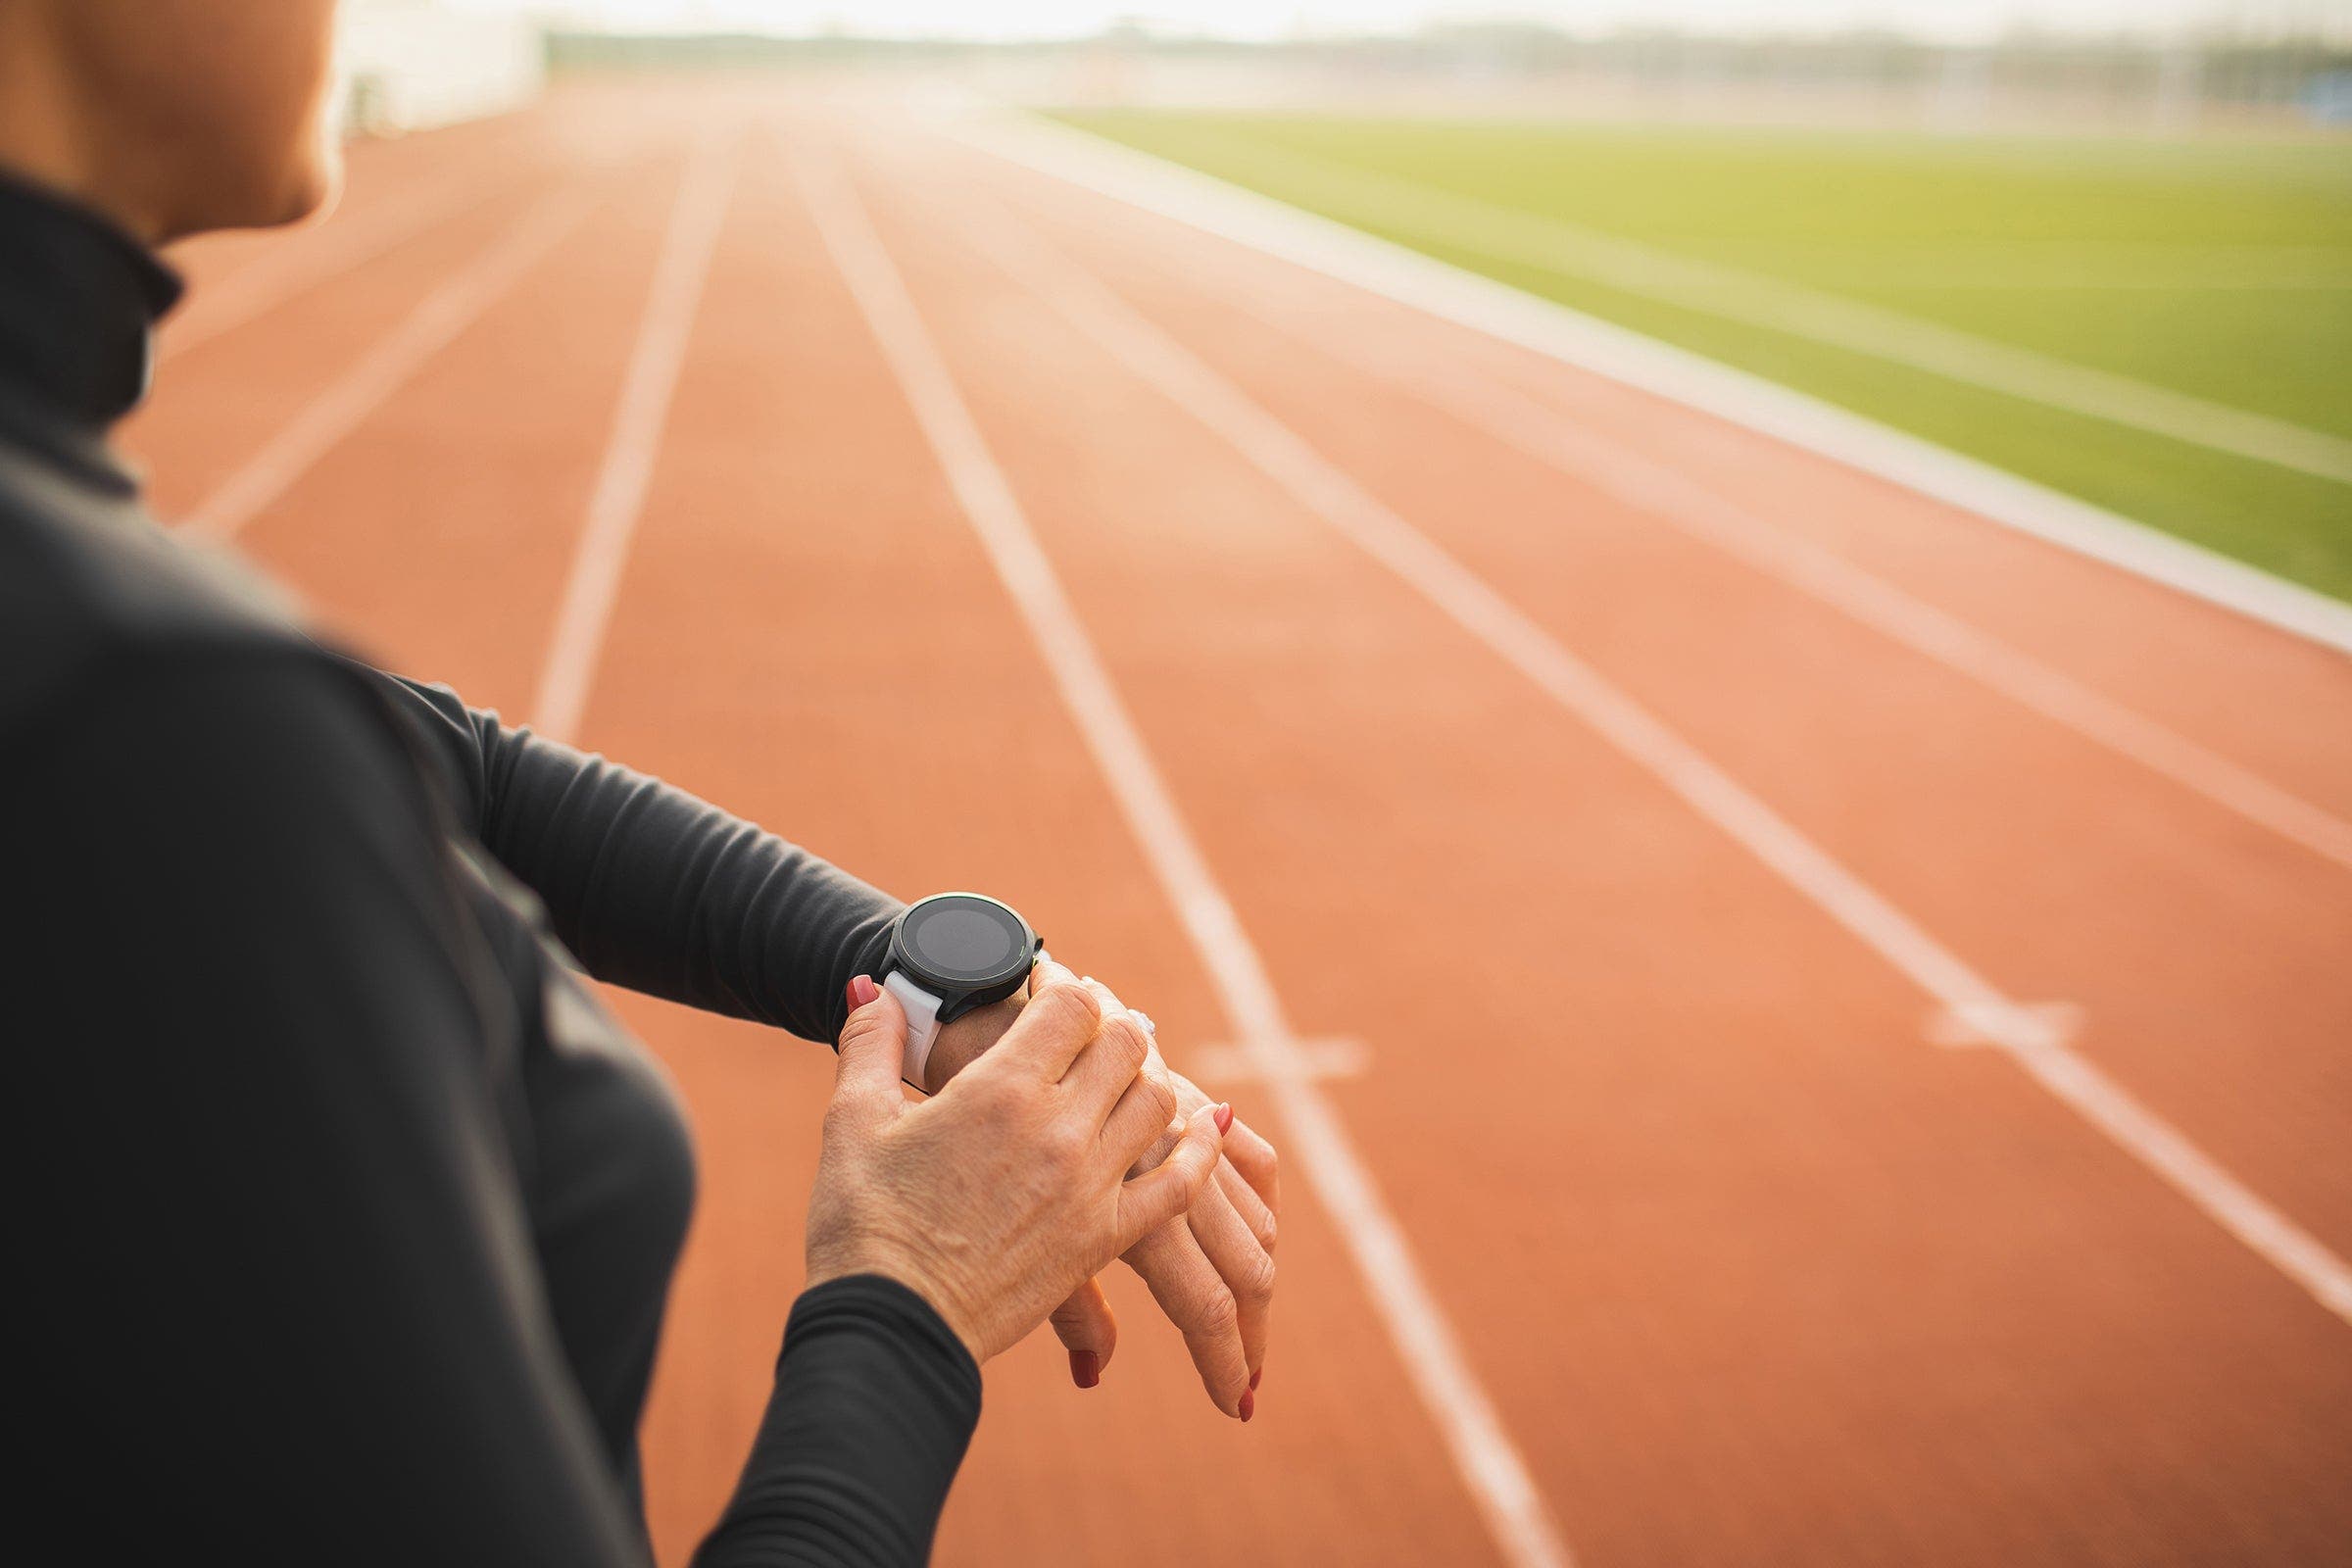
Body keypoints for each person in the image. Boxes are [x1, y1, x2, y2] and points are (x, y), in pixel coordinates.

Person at [0, 3, 1280, 1563]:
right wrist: (912, 1296)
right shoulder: (155, 738)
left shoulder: (106, 642)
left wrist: (908, 979)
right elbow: (286, 748)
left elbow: (442, 762)